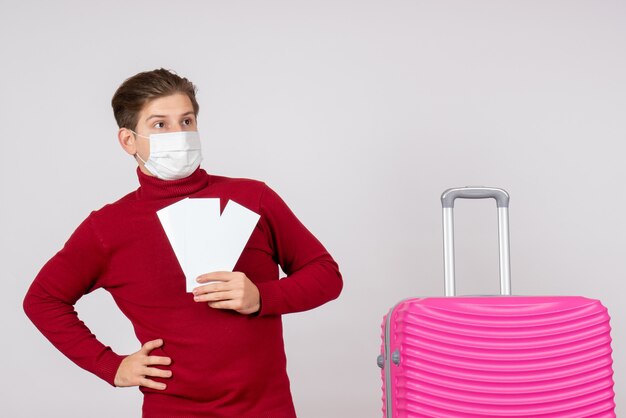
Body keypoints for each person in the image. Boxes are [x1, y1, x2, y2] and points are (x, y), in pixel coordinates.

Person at [23, 68, 343, 417]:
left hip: (266, 408)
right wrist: (110, 365)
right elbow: (42, 300)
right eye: (160, 125)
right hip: (173, 410)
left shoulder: (253, 198)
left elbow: (326, 274)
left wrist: (262, 297)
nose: (179, 134)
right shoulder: (108, 227)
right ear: (129, 141)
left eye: (186, 121)